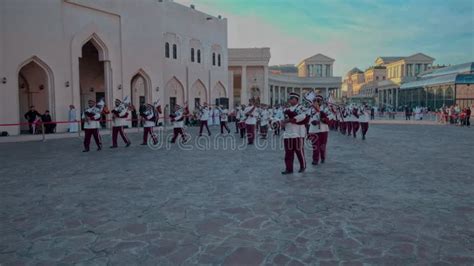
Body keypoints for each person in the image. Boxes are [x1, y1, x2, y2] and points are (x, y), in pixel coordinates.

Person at [281, 93, 309, 174]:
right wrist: (282, 122)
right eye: (290, 98)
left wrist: (289, 120)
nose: (290, 100)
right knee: (288, 152)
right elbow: (283, 119)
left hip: (298, 133)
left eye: (292, 98)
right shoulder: (287, 109)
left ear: (297, 99)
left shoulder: (301, 108)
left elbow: (303, 117)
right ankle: (289, 168)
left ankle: (302, 166)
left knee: (299, 151)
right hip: (288, 132)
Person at [308, 95, 329, 166]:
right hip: (314, 130)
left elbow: (330, 119)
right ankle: (315, 159)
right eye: (314, 101)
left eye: (317, 101)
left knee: (322, 145)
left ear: (320, 102)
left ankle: (323, 157)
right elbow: (307, 119)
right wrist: (313, 122)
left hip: (323, 130)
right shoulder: (310, 109)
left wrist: (323, 119)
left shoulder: (325, 109)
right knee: (315, 146)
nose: (316, 102)